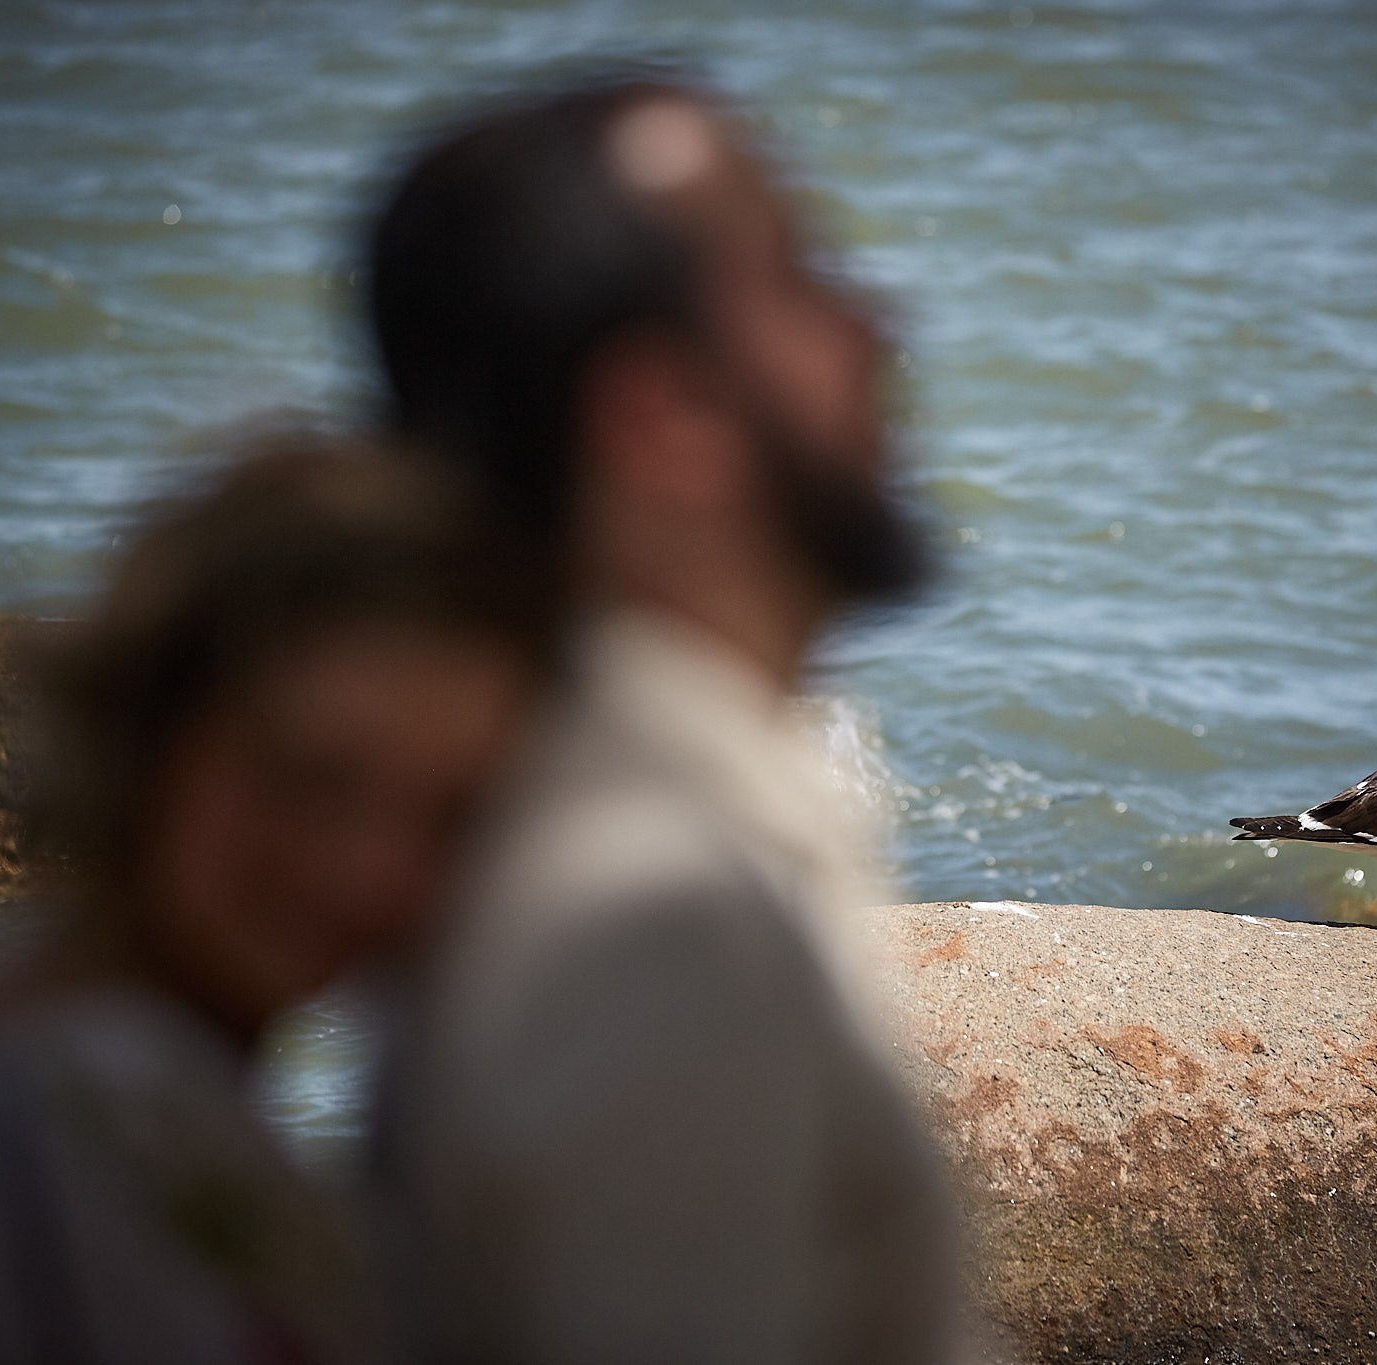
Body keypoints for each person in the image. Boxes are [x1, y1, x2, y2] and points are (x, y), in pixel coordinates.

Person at [365, 66, 963, 1363]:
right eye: (803, 277)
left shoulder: (593, 814)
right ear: (664, 414)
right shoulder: (655, 922)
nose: (881, 327)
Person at [0, 437, 542, 1364]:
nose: (370, 868)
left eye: (450, 814)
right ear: (152, 726)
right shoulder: (80, 1126)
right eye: (308, 779)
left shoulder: (54, 1058)